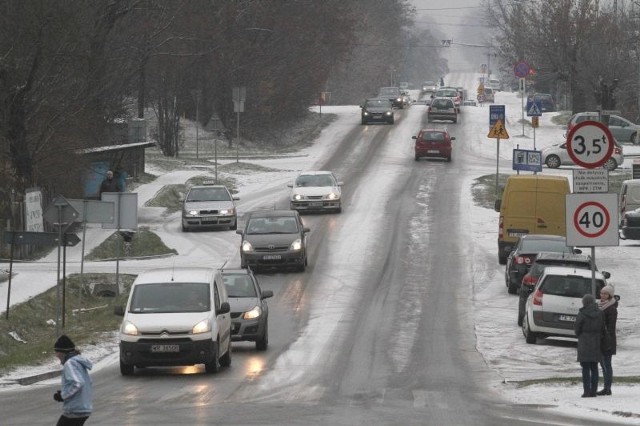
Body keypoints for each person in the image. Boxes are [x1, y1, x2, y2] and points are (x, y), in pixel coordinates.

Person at [53, 335, 93, 425]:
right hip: (83, 407)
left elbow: (78, 383)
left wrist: (63, 395)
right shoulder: (78, 362)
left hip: (75, 410)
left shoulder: (70, 363)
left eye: (57, 352)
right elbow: (87, 382)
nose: (56, 355)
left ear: (63, 352)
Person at [574, 294, 605, 398]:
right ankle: (593, 391)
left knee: (585, 368)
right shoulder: (600, 313)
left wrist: (580, 335)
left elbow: (577, 329)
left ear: (584, 302)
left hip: (584, 342)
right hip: (596, 342)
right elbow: (602, 327)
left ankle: (586, 391)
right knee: (594, 367)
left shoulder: (582, 313)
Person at [597, 284, 618, 396]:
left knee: (607, 364)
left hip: (607, 341)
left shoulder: (611, 309)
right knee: (603, 364)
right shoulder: (600, 306)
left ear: (610, 295)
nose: (603, 295)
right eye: (601, 293)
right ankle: (605, 387)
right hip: (600, 339)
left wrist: (607, 339)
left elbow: (611, 327)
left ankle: (607, 388)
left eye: (605, 293)